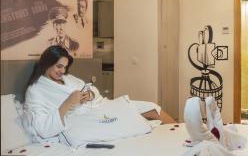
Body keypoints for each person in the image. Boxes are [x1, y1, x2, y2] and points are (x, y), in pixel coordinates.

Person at [22, 46, 172, 143]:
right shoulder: (35, 91)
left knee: (152, 108)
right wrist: (68, 103)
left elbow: (93, 90)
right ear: (46, 63)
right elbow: (42, 128)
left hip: (100, 106)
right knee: (135, 117)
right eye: (59, 66)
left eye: (65, 67)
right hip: (84, 119)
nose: (62, 71)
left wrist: (90, 95)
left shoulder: (67, 78)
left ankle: (184, 137)